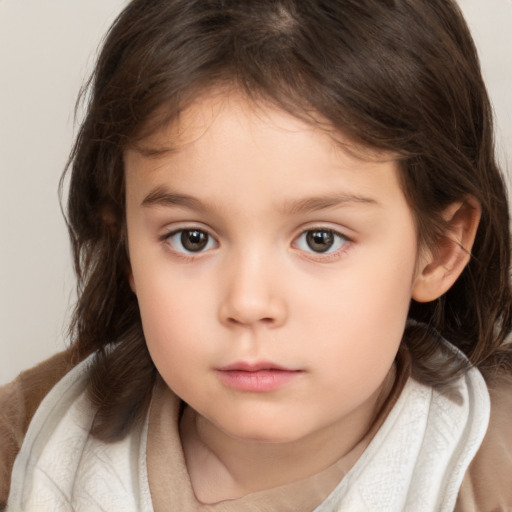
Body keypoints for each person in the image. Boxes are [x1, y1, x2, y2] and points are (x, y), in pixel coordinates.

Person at [2, 0, 512, 510]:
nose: (248, 303)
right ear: (125, 244)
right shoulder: (36, 434)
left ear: (439, 250)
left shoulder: (492, 465)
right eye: (192, 239)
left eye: (320, 239)